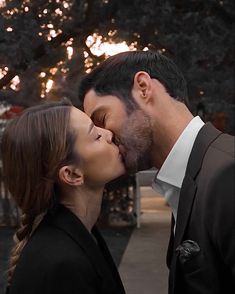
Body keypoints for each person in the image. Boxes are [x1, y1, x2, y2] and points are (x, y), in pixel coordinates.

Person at [78, 50, 235, 294]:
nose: (105, 136)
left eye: (102, 118)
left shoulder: (227, 174)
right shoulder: (190, 176)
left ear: (143, 87)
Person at [1, 99, 126, 294]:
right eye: (96, 135)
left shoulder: (78, 237)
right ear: (72, 175)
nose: (109, 134)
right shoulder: (61, 265)